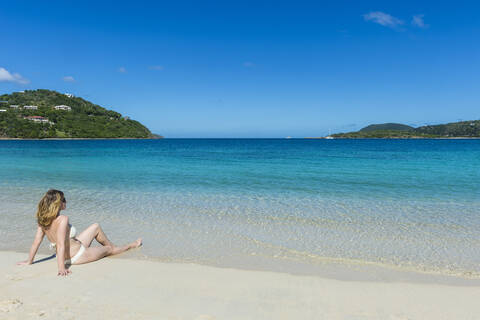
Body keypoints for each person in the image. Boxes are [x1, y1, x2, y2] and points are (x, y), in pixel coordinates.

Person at [17, 189, 142, 276]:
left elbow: (36, 242)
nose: (66, 201)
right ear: (58, 204)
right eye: (64, 199)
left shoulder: (43, 220)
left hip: (74, 249)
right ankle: (131, 245)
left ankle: (114, 248)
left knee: (95, 226)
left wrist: (29, 261)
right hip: (77, 256)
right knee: (108, 249)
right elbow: (60, 244)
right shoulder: (63, 219)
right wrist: (61, 268)